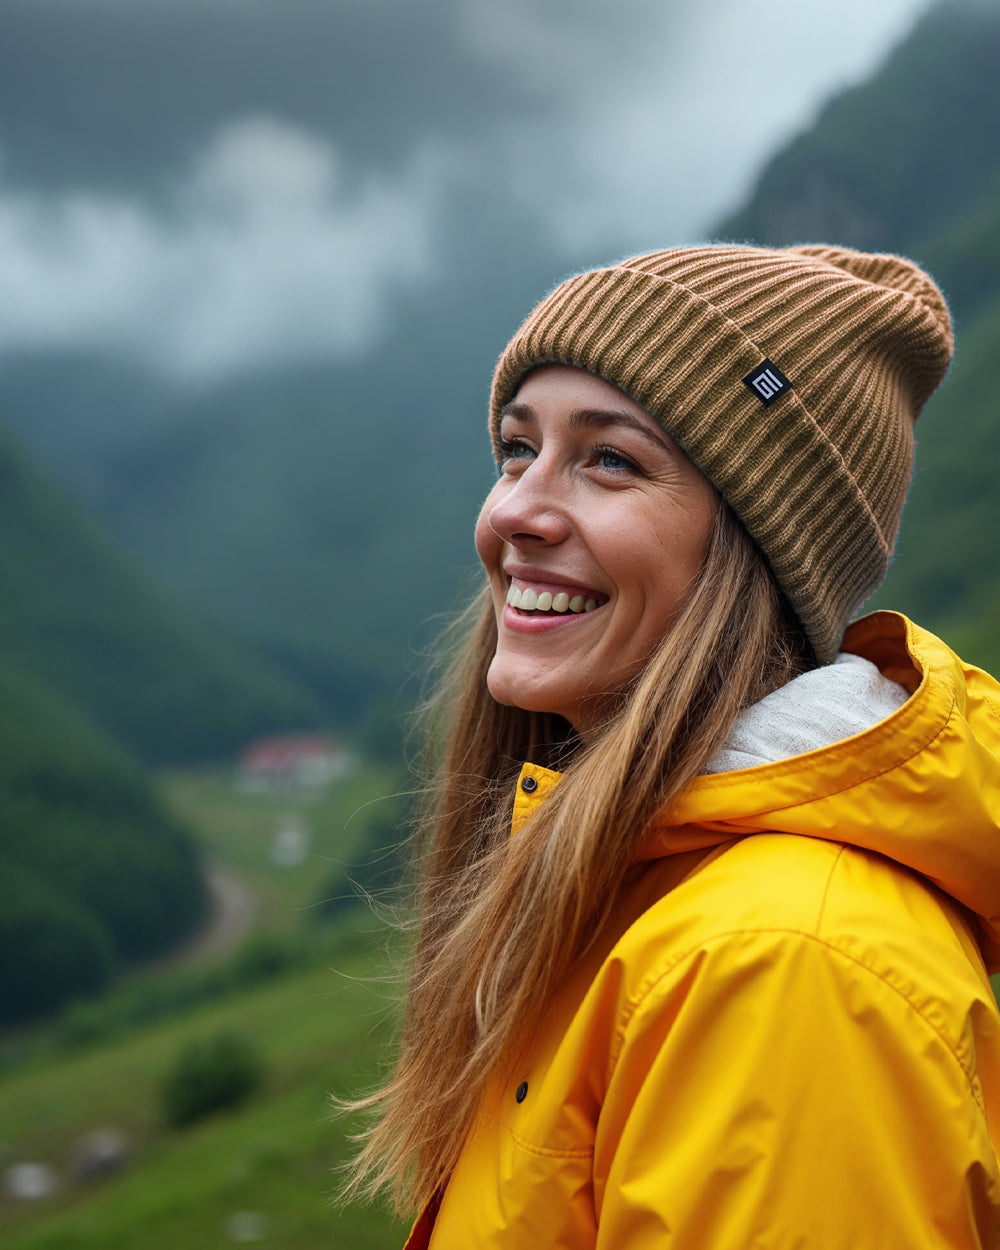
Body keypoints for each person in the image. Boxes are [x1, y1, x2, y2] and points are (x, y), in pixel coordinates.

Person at [348, 245, 1000, 1248]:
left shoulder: (782, 965)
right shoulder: (641, 891)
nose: (514, 509)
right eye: (518, 449)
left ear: (758, 545)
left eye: (610, 458)